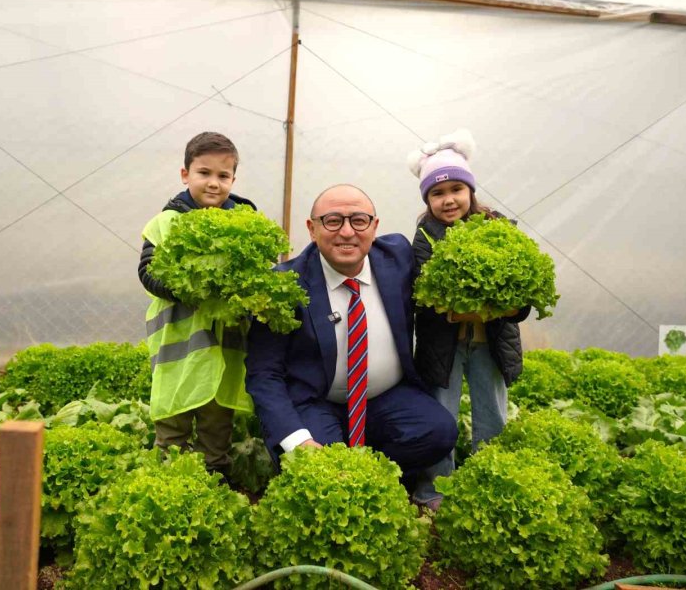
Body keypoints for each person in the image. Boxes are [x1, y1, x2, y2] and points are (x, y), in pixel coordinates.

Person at [245, 183, 458, 492]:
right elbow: (265, 374)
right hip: (315, 401)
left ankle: (368, 477)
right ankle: (345, 472)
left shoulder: (397, 257)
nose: (347, 232)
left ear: (374, 227)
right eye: (333, 221)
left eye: (359, 220)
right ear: (312, 228)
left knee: (438, 431)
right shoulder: (283, 285)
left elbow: (442, 235)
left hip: (386, 399)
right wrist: (298, 441)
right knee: (319, 471)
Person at [406, 129, 531, 507]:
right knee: (441, 420)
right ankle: (433, 492)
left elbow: (520, 300)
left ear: (471, 191)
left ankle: (487, 487)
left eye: (456, 190)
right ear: (428, 199)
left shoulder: (499, 228)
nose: (448, 200)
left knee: (491, 416)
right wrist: (488, 305)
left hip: (490, 345)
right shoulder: (425, 236)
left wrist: (476, 307)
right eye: (437, 193)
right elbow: (426, 298)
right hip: (443, 347)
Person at [138, 131, 256, 478]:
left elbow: (261, 274)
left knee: (217, 422)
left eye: (223, 176)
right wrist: (194, 291)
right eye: (204, 173)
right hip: (179, 349)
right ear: (185, 174)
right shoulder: (166, 223)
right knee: (172, 421)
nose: (214, 183)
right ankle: (168, 482)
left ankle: (213, 480)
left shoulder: (246, 222)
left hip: (225, 347)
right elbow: (147, 273)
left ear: (233, 179)